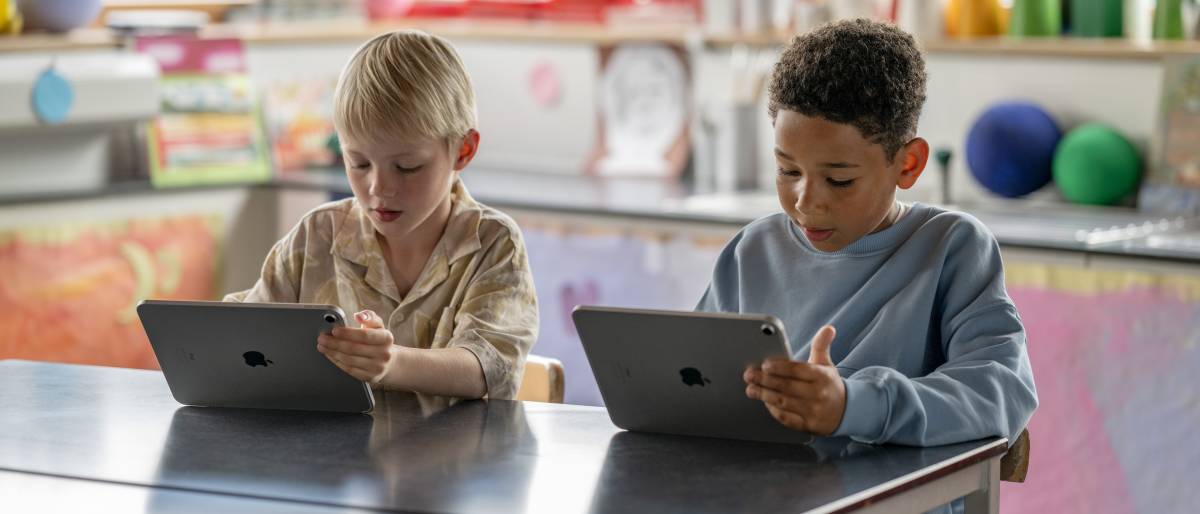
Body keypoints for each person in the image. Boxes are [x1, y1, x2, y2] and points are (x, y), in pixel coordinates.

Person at [697, 19, 1037, 448]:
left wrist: (852, 406)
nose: (805, 202)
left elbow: (1003, 390)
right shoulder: (751, 251)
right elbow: (697, 381)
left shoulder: (951, 248)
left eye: (839, 180)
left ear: (907, 165)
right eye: (788, 170)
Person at [226, 30, 538, 400]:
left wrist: (391, 364)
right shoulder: (315, 237)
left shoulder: (492, 244)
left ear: (463, 151)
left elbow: (488, 368)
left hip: (454, 456)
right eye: (358, 163)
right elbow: (244, 333)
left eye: (407, 167)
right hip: (325, 455)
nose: (379, 188)